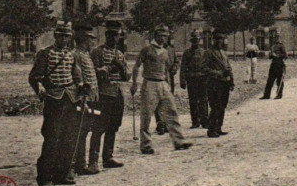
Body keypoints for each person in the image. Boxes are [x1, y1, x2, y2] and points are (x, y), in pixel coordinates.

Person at [28, 21, 82, 186]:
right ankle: (45, 177)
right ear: (55, 36)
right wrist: (41, 89)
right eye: (61, 35)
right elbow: (34, 77)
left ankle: (62, 174)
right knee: (52, 137)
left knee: (69, 137)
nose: (64, 39)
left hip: (70, 99)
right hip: (54, 99)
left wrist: (81, 86)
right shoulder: (45, 54)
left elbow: (77, 77)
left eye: (67, 36)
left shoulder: (72, 55)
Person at [130, 24, 192, 154]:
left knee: (172, 112)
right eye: (161, 35)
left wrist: (167, 84)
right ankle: (146, 145)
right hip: (149, 84)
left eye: (165, 36)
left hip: (163, 83)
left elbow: (166, 69)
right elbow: (136, 67)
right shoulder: (146, 49)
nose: (164, 38)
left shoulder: (165, 52)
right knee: (146, 115)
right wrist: (134, 83)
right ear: (155, 36)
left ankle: (179, 141)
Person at [85, 21, 129, 173]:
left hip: (117, 94)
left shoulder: (120, 54)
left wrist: (121, 67)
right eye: (111, 34)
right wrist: (110, 67)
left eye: (117, 35)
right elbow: (93, 73)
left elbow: (126, 77)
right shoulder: (97, 52)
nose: (114, 37)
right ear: (106, 35)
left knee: (113, 126)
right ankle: (93, 161)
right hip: (103, 94)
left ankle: (108, 157)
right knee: (99, 128)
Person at [72, 24, 101, 177]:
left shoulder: (86, 55)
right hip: (83, 99)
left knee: (87, 130)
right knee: (81, 132)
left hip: (92, 98)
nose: (93, 42)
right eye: (90, 39)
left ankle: (83, 163)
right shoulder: (76, 55)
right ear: (84, 40)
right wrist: (83, 97)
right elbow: (78, 78)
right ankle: (79, 164)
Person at [205, 32, 235, 137]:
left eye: (221, 39)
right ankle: (211, 129)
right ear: (213, 40)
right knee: (216, 106)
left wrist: (231, 80)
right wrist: (218, 73)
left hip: (225, 82)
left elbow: (229, 67)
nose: (219, 41)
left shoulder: (223, 52)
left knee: (222, 106)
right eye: (217, 39)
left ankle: (218, 127)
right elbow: (204, 68)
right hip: (214, 82)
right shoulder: (209, 53)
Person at [180, 30, 210, 129]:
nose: (195, 42)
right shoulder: (187, 53)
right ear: (191, 41)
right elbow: (183, 66)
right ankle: (195, 121)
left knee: (204, 100)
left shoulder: (204, 53)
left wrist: (209, 78)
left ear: (199, 41)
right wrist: (183, 80)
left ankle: (205, 121)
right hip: (191, 79)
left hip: (202, 79)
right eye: (193, 40)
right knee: (193, 101)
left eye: (197, 40)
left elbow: (207, 66)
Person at [260, 32, 287, 100]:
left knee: (279, 81)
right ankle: (266, 95)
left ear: (280, 38)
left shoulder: (281, 46)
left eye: (278, 37)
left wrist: (277, 55)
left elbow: (285, 55)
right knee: (270, 80)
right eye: (275, 37)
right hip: (273, 64)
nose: (276, 39)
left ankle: (279, 94)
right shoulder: (272, 46)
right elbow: (270, 56)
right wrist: (271, 55)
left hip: (279, 64)